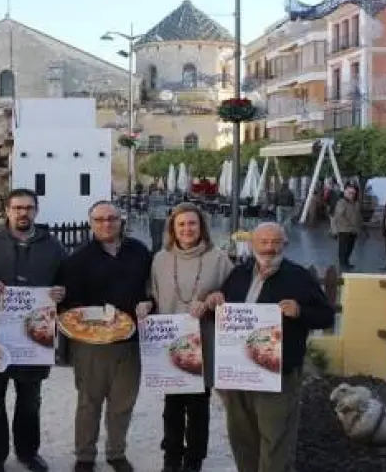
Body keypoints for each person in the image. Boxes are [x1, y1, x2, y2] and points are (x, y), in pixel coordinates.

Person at [203, 222, 335, 472]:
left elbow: (326, 316)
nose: (269, 248)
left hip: (277, 373)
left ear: (285, 244)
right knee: (242, 438)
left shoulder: (298, 276)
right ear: (253, 244)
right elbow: (221, 315)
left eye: (275, 242)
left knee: (276, 439)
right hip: (238, 373)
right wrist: (213, 302)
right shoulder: (239, 274)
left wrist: (300, 311)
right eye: (263, 242)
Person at [0, 188, 68, 472]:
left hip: (34, 339)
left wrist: (61, 292)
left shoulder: (53, 247)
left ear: (36, 210)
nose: (23, 213)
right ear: (7, 211)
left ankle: (28, 452)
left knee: (30, 400)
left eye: (29, 208)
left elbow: (66, 281)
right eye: (17, 208)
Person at [61, 201, 153, 472]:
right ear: (91, 223)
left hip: (131, 340)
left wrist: (150, 302)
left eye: (112, 218)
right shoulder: (78, 259)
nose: (106, 224)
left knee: (123, 402)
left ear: (121, 221)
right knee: (89, 402)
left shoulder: (139, 251)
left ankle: (116, 452)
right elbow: (67, 304)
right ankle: (85, 455)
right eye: (99, 219)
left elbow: (151, 287)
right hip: (92, 344)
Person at [150, 203, 233, 472]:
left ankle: (194, 461)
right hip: (170, 344)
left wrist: (216, 298)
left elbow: (234, 296)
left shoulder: (219, 259)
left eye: (192, 223)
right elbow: (152, 294)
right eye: (181, 224)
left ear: (202, 227)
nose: (187, 229)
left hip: (204, 342)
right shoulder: (160, 259)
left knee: (198, 407)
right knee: (172, 406)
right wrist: (145, 303)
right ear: (173, 229)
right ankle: (171, 459)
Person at [331, 185, 361, 270]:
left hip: (353, 230)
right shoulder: (342, 202)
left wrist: (359, 226)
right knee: (343, 248)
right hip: (344, 229)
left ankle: (346, 262)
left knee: (350, 248)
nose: (352, 195)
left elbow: (358, 215)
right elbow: (339, 216)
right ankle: (342, 264)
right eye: (350, 193)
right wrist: (349, 224)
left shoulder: (355, 203)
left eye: (353, 193)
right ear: (346, 193)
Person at [147, 187, 170, 253]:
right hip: (163, 218)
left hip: (155, 219)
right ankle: (159, 250)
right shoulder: (163, 198)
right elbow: (167, 209)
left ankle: (155, 251)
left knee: (155, 236)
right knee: (160, 236)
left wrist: (150, 220)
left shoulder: (152, 198)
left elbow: (151, 211)